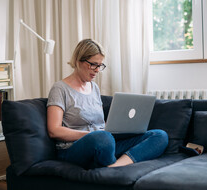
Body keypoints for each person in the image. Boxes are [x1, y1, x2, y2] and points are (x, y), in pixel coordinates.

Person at [47, 39, 168, 169]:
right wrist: (91, 134)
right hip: (75, 148)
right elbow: (54, 131)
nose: (97, 70)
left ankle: (114, 166)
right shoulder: (60, 89)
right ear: (78, 61)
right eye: (93, 64)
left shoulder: (94, 88)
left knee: (159, 135)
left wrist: (119, 128)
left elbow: (100, 123)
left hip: (104, 143)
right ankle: (109, 159)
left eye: (100, 65)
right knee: (102, 138)